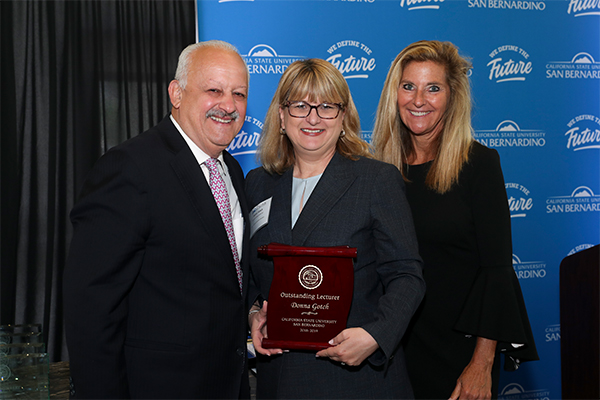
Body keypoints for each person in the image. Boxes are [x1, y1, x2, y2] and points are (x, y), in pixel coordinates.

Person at [64, 40, 251, 399]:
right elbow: (91, 307)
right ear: (176, 94)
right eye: (214, 90)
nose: (228, 106)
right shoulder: (130, 169)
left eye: (239, 94)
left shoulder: (233, 173)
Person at [245, 58, 425, 399]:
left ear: (343, 117)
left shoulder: (376, 181)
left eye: (326, 106)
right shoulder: (258, 185)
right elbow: (252, 276)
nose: (313, 117)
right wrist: (254, 314)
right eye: (300, 105)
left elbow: (407, 275)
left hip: (356, 380)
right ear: (281, 116)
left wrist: (375, 336)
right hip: (280, 379)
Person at [372, 40, 539, 400]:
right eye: (408, 86)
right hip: (392, 348)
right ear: (394, 94)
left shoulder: (478, 165)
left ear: (452, 96)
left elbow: (496, 272)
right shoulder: (379, 171)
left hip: (459, 353)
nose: (419, 100)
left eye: (433, 88)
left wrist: (481, 363)